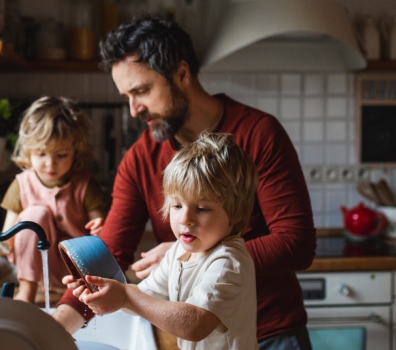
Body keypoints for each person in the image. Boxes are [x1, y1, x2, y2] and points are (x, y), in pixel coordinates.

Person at [53, 16, 316, 350]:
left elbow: (296, 243)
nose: (134, 110)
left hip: (272, 334)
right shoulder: (140, 158)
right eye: (127, 96)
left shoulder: (258, 134)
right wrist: (56, 328)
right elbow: (111, 254)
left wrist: (193, 253)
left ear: (181, 74)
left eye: (142, 91)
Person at [67, 132, 259, 349]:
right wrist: (105, 290)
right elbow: (142, 300)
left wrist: (126, 297)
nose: (185, 218)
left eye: (202, 209)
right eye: (177, 206)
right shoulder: (178, 252)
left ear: (236, 213)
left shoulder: (227, 261)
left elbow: (194, 325)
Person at [0, 96, 107, 303]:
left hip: (79, 270)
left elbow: (102, 232)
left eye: (61, 155)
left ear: (76, 151)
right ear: (28, 152)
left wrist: (101, 228)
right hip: (36, 271)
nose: (50, 164)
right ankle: (26, 291)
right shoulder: (21, 184)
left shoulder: (85, 184)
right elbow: (8, 239)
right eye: (41, 154)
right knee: (34, 216)